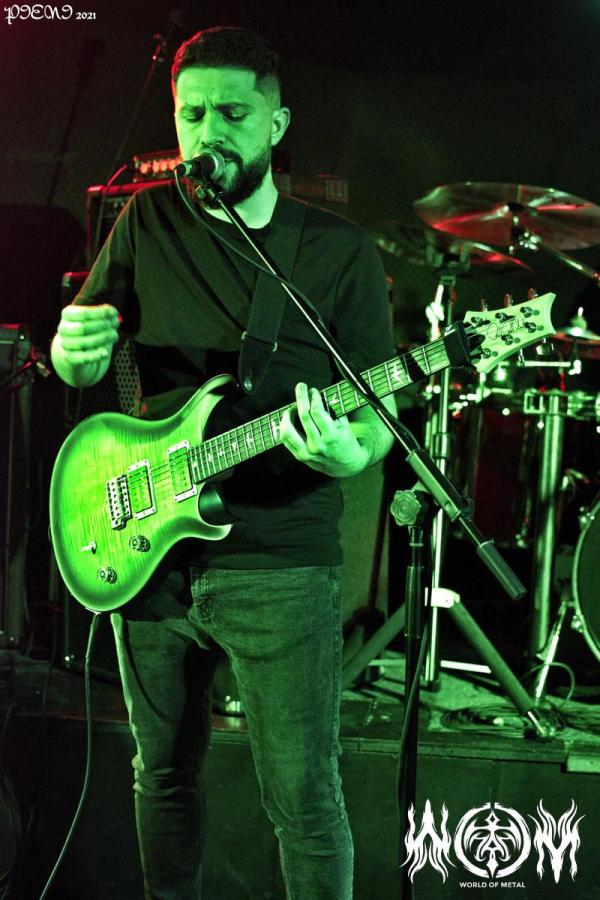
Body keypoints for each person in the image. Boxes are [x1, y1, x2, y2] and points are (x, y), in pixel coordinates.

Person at [51, 26, 396, 900]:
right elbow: (83, 358)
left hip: (279, 563)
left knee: (303, 800)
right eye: (193, 114)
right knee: (161, 775)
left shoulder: (338, 253)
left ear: (277, 124)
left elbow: (378, 420)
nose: (209, 134)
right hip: (150, 549)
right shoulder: (147, 218)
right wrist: (69, 352)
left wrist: (349, 452)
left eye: (233, 115)